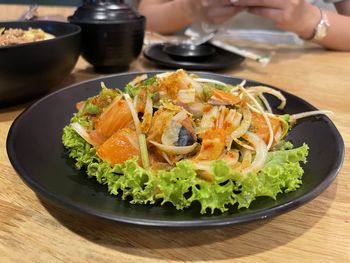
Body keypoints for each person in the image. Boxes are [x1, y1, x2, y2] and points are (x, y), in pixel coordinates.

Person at [137, 0, 350, 51]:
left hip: (311, 77)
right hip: (201, 65)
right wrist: (192, 7)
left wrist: (306, 19)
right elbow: (146, 17)